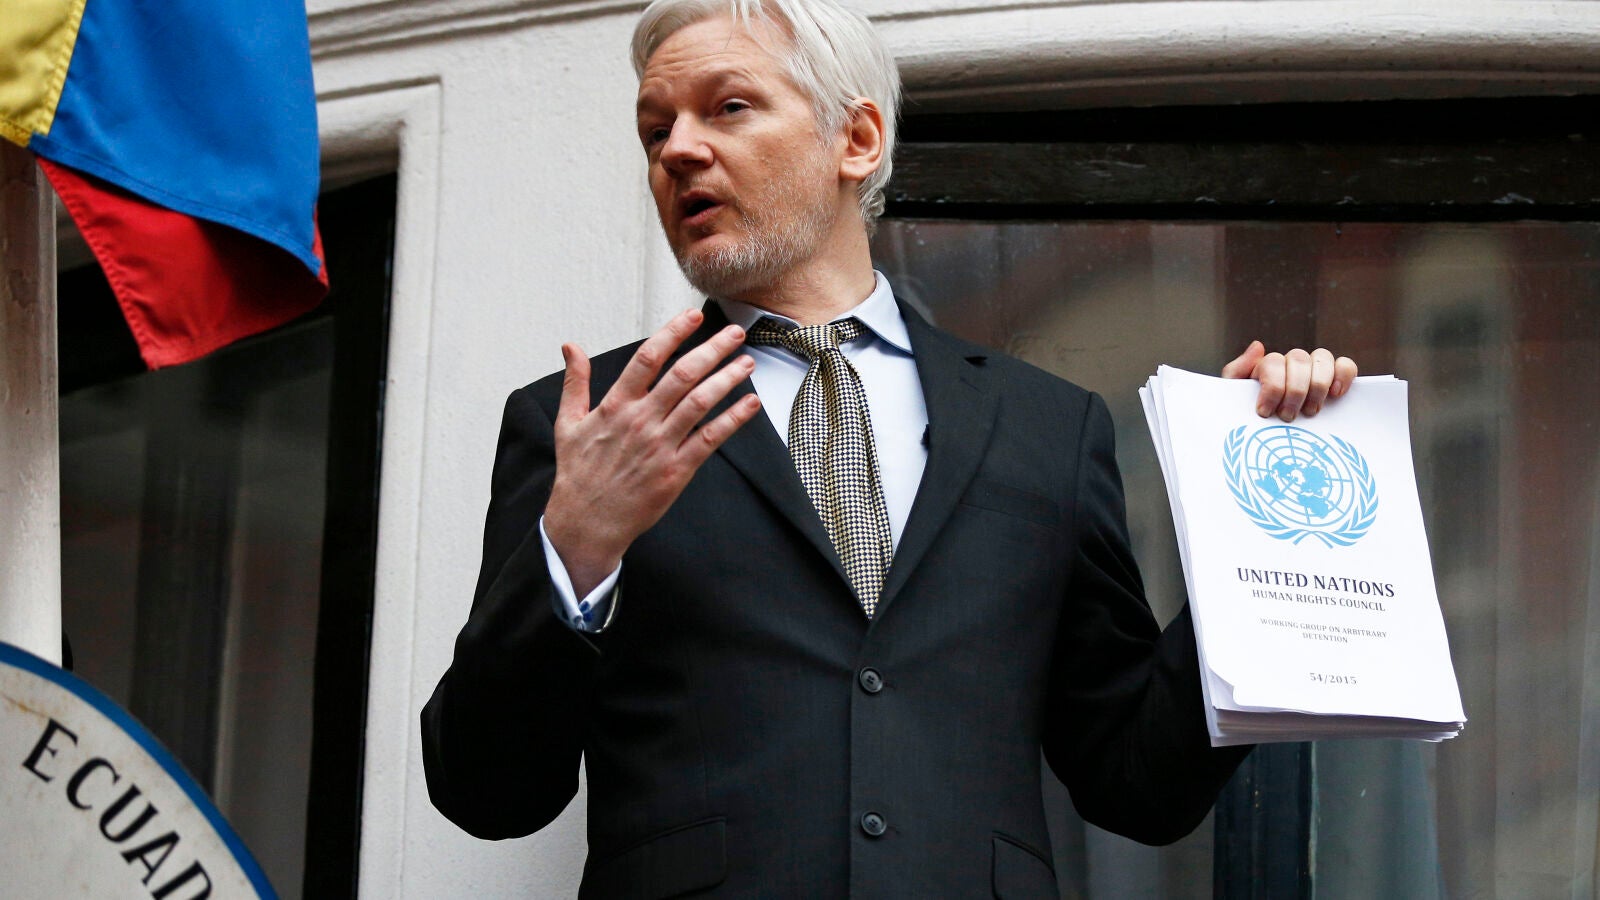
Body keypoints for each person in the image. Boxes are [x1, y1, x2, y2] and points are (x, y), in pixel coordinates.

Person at [421, 0, 1359, 895]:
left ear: (857, 139)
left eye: (728, 107)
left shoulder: (1047, 426)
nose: (679, 150)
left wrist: (1258, 519)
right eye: (655, 130)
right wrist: (576, 551)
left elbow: (1139, 785)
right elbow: (487, 792)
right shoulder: (589, 422)